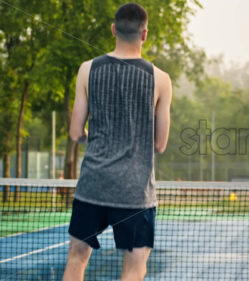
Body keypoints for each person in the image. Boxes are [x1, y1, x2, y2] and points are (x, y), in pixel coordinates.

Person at [63, 3, 172, 281]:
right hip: (136, 192)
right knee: (134, 269)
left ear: (114, 29)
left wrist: (97, 140)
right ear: (144, 34)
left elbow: (76, 132)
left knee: (77, 258)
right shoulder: (160, 79)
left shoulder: (87, 70)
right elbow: (160, 144)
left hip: (93, 186)